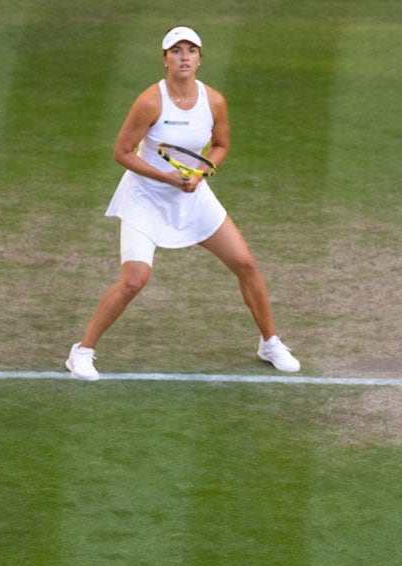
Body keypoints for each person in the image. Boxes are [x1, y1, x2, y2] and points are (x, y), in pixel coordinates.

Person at [66, 25, 300, 381]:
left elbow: (220, 145)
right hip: (145, 197)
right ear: (165, 60)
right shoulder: (150, 101)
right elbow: (121, 152)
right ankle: (81, 352)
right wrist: (168, 177)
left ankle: (269, 343)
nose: (184, 57)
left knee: (246, 264)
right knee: (134, 280)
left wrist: (202, 174)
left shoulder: (215, 101)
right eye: (176, 51)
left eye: (191, 50)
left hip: (192, 196)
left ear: (200, 59)